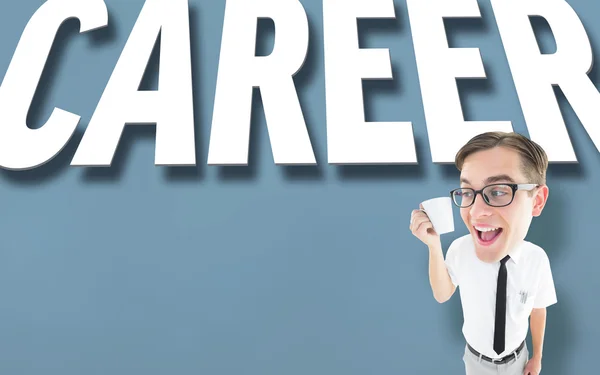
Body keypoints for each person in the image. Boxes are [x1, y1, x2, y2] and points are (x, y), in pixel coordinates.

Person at [409, 131, 557, 375]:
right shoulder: (459, 249)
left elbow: (538, 308)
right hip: (476, 361)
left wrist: (538, 357)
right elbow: (442, 294)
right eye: (467, 192)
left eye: (498, 191)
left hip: (518, 361)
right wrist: (433, 246)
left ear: (537, 201)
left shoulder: (536, 259)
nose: (476, 213)